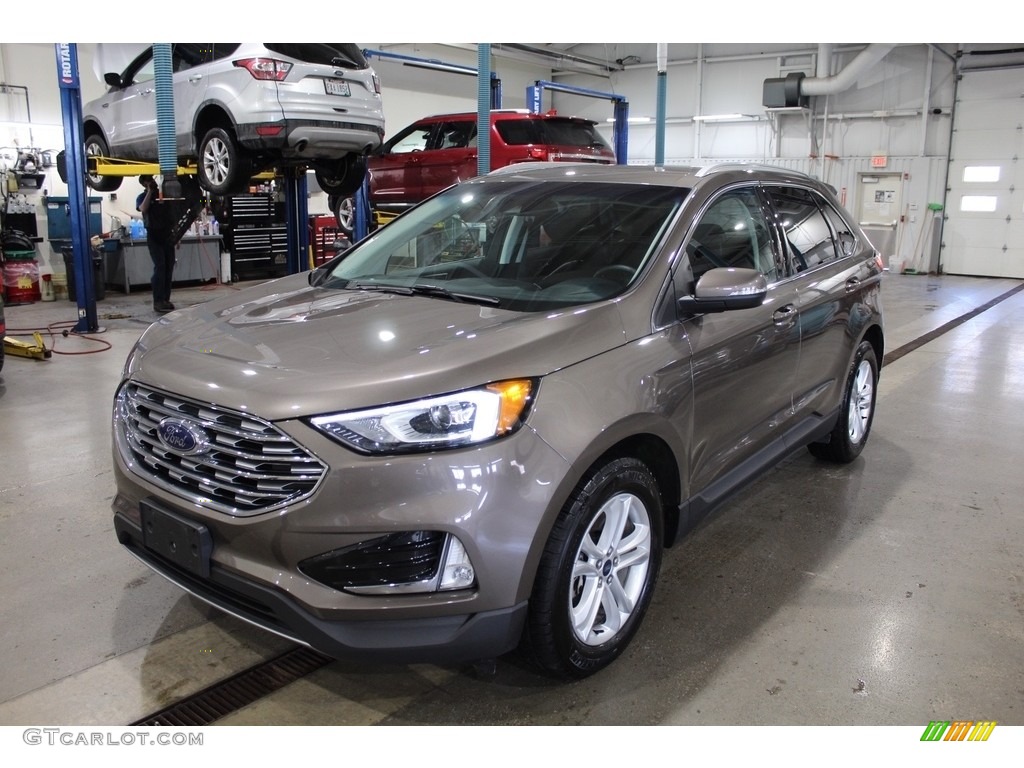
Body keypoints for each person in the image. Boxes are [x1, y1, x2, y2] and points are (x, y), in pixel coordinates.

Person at [136, 175, 176, 313]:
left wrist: (178, 237)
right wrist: (149, 192)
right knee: (160, 267)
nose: (152, 182)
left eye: (152, 179)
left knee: (169, 267)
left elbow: (172, 215)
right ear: (143, 184)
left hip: (168, 235)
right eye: (148, 181)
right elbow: (143, 208)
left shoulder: (163, 196)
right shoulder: (142, 197)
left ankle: (165, 299)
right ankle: (158, 301)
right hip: (153, 236)